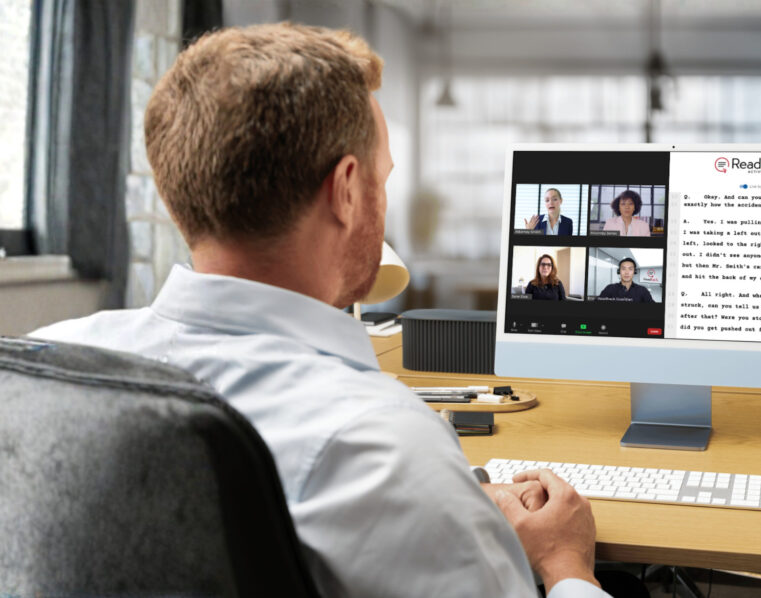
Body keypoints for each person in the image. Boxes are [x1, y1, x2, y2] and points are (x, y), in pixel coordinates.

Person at [29, 24, 610, 598]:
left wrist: (447, 507)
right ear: (348, 190)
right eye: (383, 178)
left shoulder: (43, 362)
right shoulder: (382, 448)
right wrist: (566, 567)